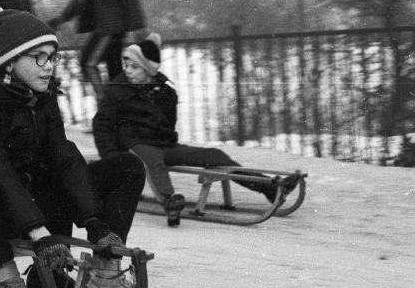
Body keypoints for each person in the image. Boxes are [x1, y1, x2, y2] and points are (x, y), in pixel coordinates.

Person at [0, 6, 147, 288]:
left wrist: (94, 222)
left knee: (127, 166)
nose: (48, 67)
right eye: (38, 58)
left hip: (40, 205)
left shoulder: (40, 95)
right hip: (1, 211)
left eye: (52, 57)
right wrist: (39, 233)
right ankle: (10, 286)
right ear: (10, 62)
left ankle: (105, 273)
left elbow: (63, 155)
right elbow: (1, 173)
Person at [92, 34, 294, 226]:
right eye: (126, 65)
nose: (127, 70)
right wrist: (111, 156)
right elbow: (101, 124)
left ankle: (269, 187)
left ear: (148, 70)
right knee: (152, 160)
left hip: (164, 144)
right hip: (132, 145)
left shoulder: (165, 92)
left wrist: (167, 139)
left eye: (134, 67)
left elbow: (168, 123)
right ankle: (169, 200)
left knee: (215, 155)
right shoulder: (117, 89)